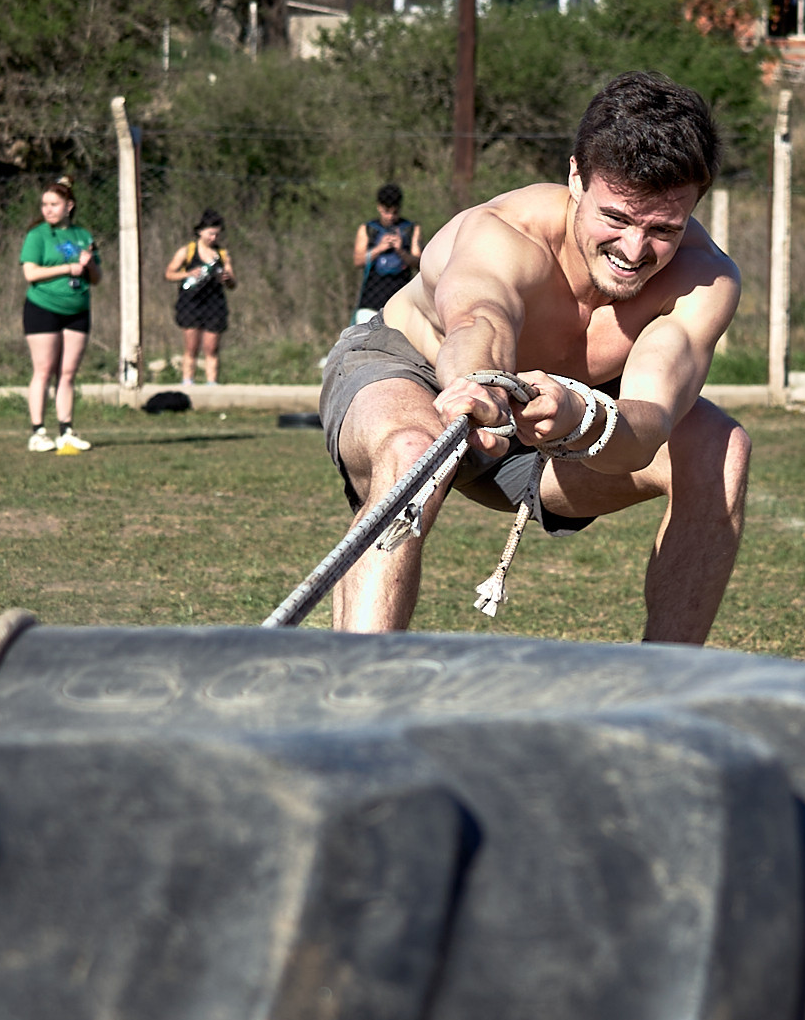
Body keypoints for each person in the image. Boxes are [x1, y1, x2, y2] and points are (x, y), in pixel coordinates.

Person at [318, 70, 747, 643]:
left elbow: (648, 421)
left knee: (721, 447)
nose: (634, 250)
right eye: (615, 218)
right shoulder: (504, 233)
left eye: (662, 229)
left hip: (559, 423)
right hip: (417, 375)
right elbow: (480, 319)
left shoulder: (704, 280)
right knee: (413, 449)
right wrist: (476, 385)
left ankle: (662, 697)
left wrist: (582, 417)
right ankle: (355, 698)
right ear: (576, 175)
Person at [19, 176, 99, 453]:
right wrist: (67, 269)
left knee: (67, 373)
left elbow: (96, 278)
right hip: (43, 308)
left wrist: (89, 266)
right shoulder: (37, 235)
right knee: (43, 371)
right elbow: (30, 273)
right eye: (44, 204)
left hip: (77, 310)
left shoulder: (83, 236)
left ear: (69, 206)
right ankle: (38, 432)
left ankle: (66, 430)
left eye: (54, 204)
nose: (48, 209)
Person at [165, 211, 236, 386]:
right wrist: (188, 274)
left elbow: (233, 283)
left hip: (214, 303)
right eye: (211, 233)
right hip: (191, 303)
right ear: (200, 232)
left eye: (217, 234)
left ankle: (212, 382)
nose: (214, 237)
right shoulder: (187, 251)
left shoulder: (222, 254)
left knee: (211, 348)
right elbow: (169, 274)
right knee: (191, 347)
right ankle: (188, 381)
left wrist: (227, 279)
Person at [352, 183, 423, 323]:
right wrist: (379, 248)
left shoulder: (411, 229)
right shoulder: (368, 229)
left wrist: (400, 251)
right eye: (386, 211)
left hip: (401, 300)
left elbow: (419, 263)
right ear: (379, 207)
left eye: (394, 212)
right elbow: (358, 261)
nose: (390, 216)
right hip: (371, 301)